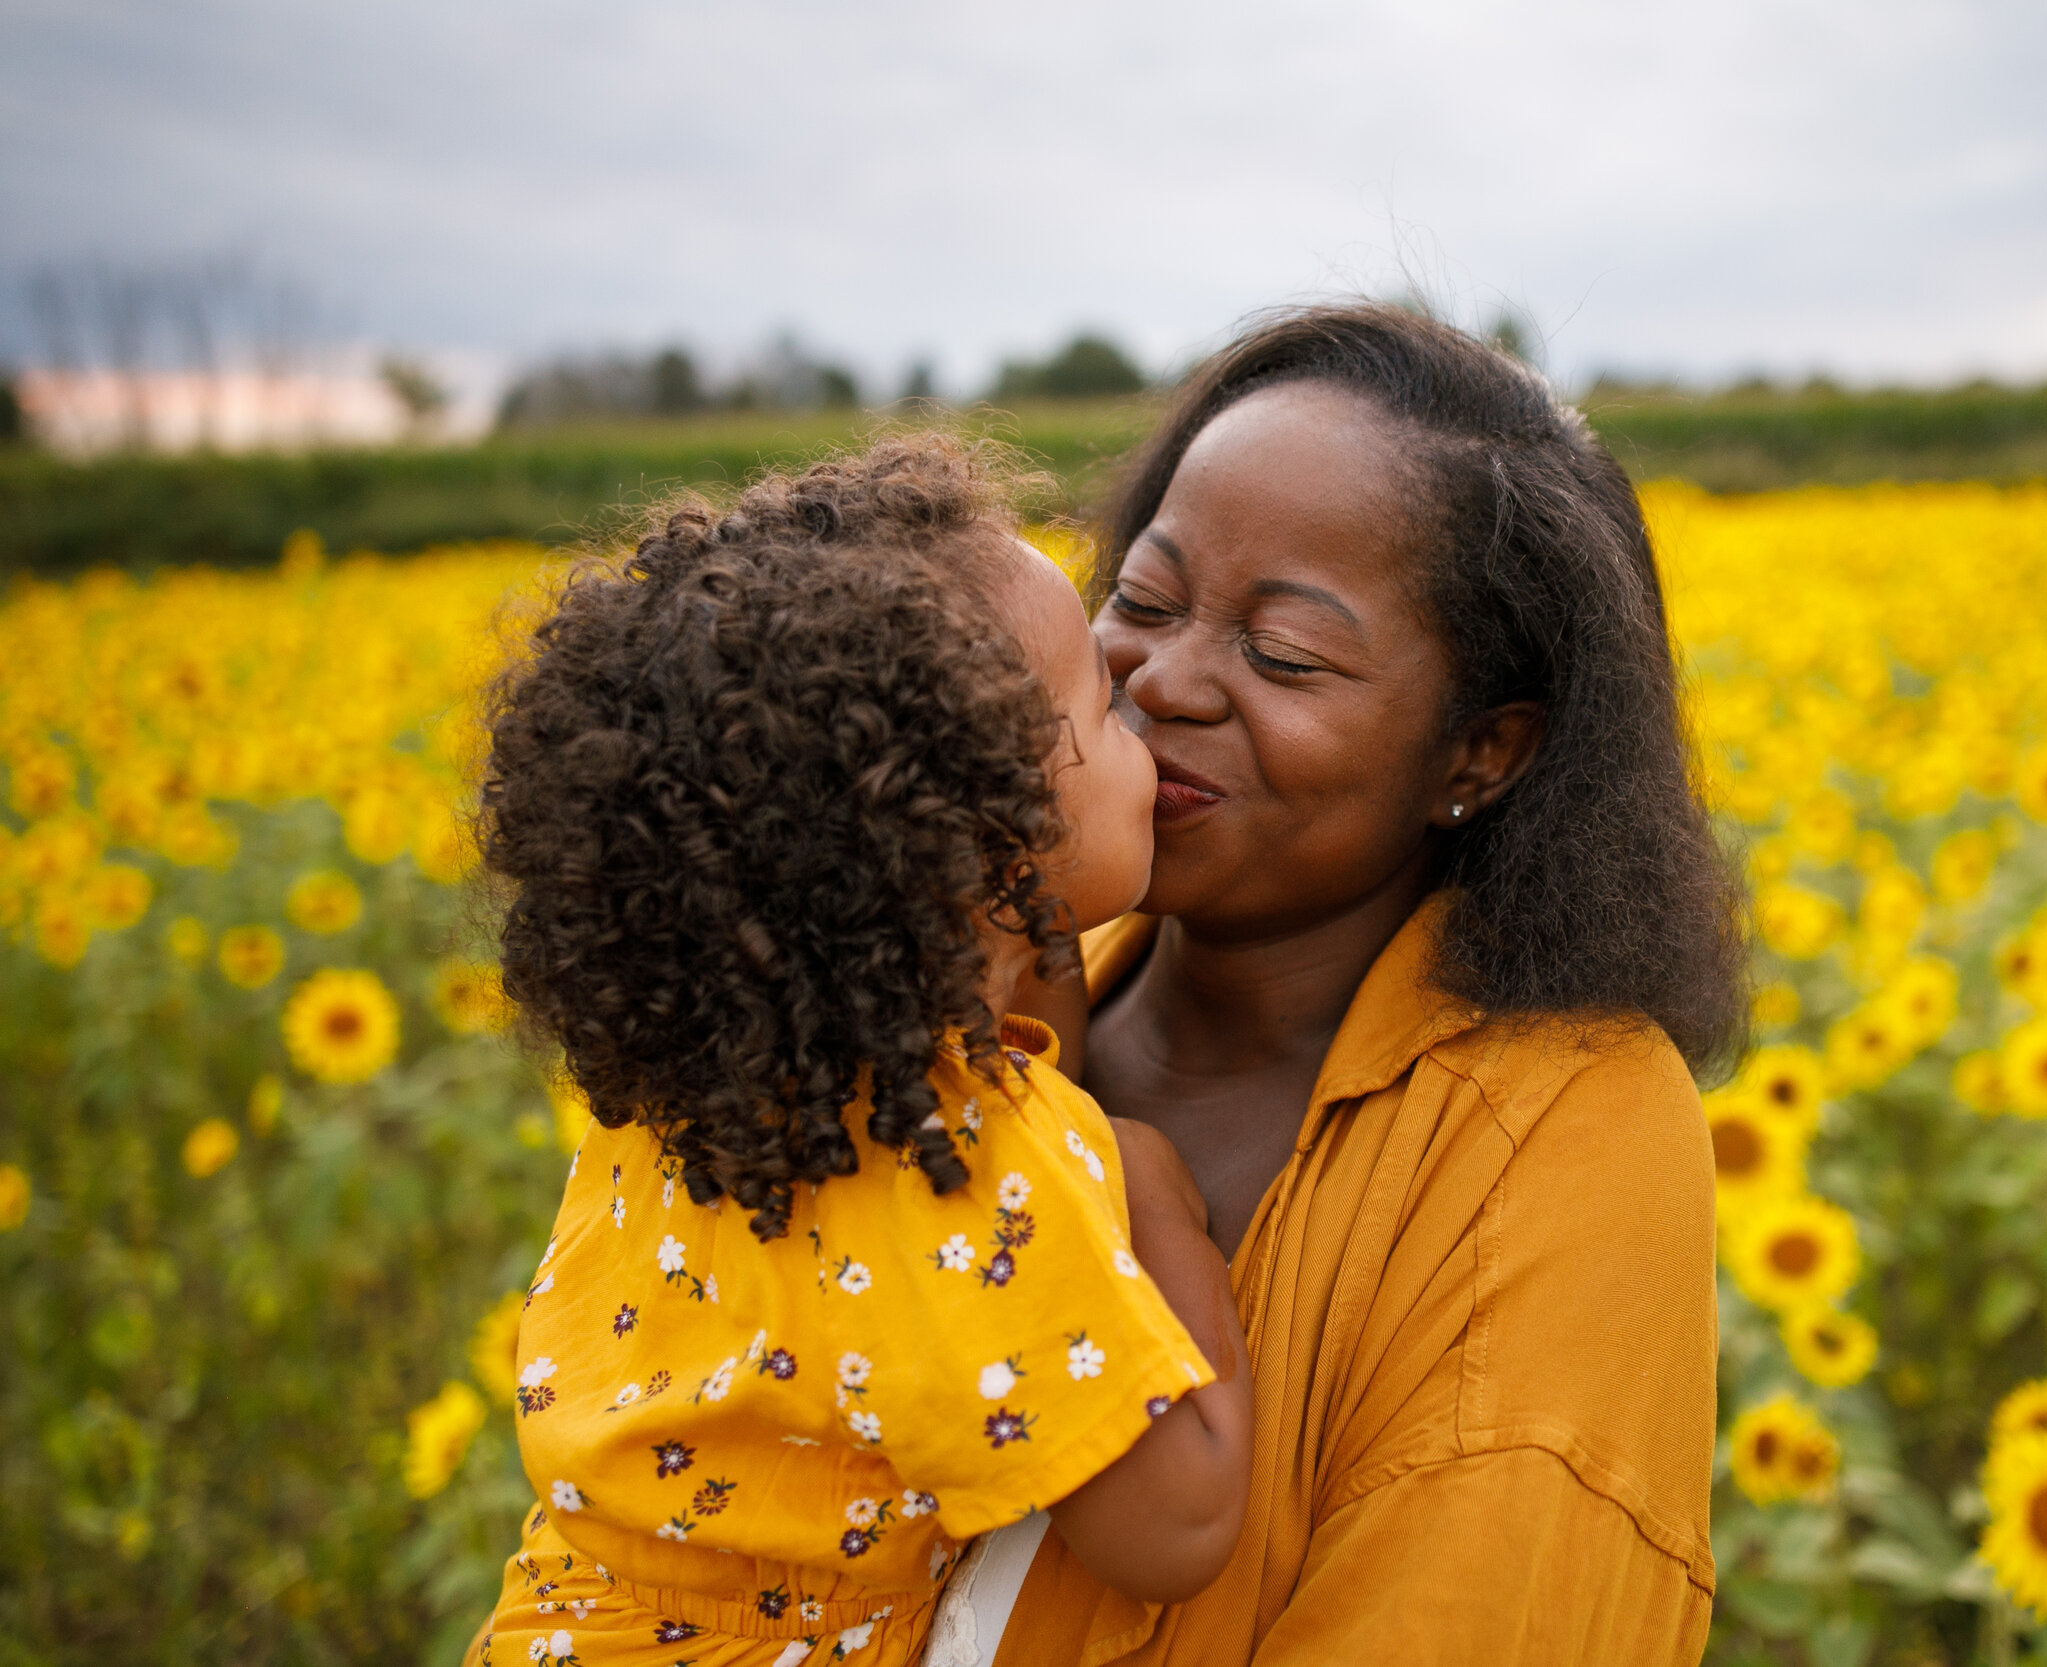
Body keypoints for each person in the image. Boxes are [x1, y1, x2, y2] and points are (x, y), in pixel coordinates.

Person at [976, 303, 1748, 1664]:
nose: (1167, 679)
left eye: (1285, 655)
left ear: (1482, 752)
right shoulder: (964, 1007)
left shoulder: (1568, 1130)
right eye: (1144, 601)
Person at [463, 436, 1253, 1667]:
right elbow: (1179, 1522)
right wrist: (1152, 1194)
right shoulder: (963, 1165)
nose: (1145, 710)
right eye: (1102, 714)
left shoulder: (703, 1077)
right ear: (991, 846)